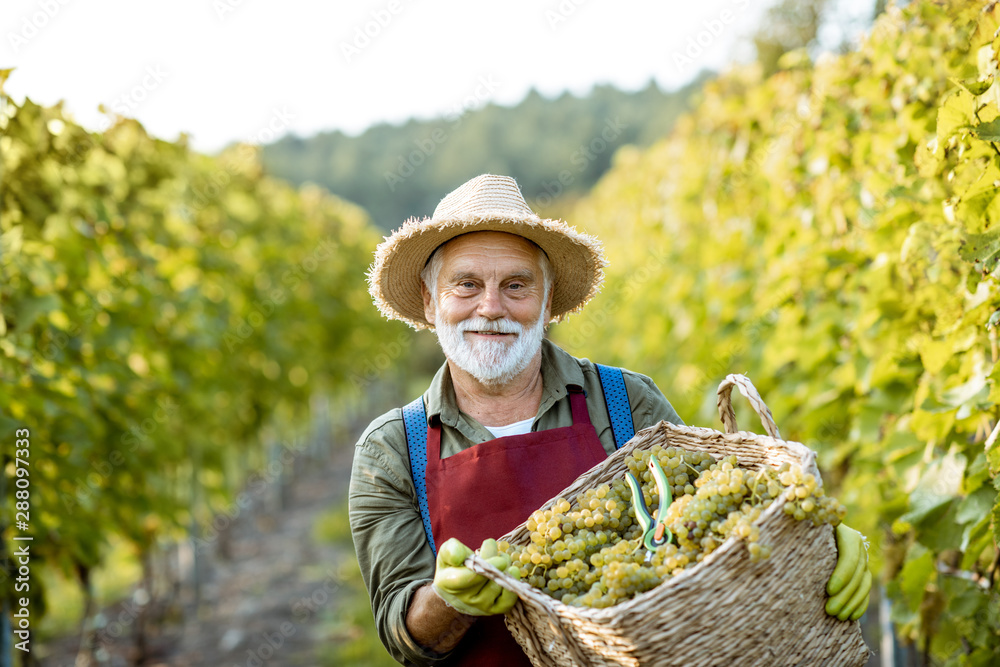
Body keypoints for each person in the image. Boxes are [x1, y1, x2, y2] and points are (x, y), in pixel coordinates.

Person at [349, 174, 870, 666]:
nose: (491, 307)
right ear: (429, 297)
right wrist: (447, 599)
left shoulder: (626, 401)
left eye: (516, 285)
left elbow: (720, 512)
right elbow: (404, 635)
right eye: (466, 285)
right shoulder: (393, 448)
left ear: (547, 300)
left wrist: (815, 537)